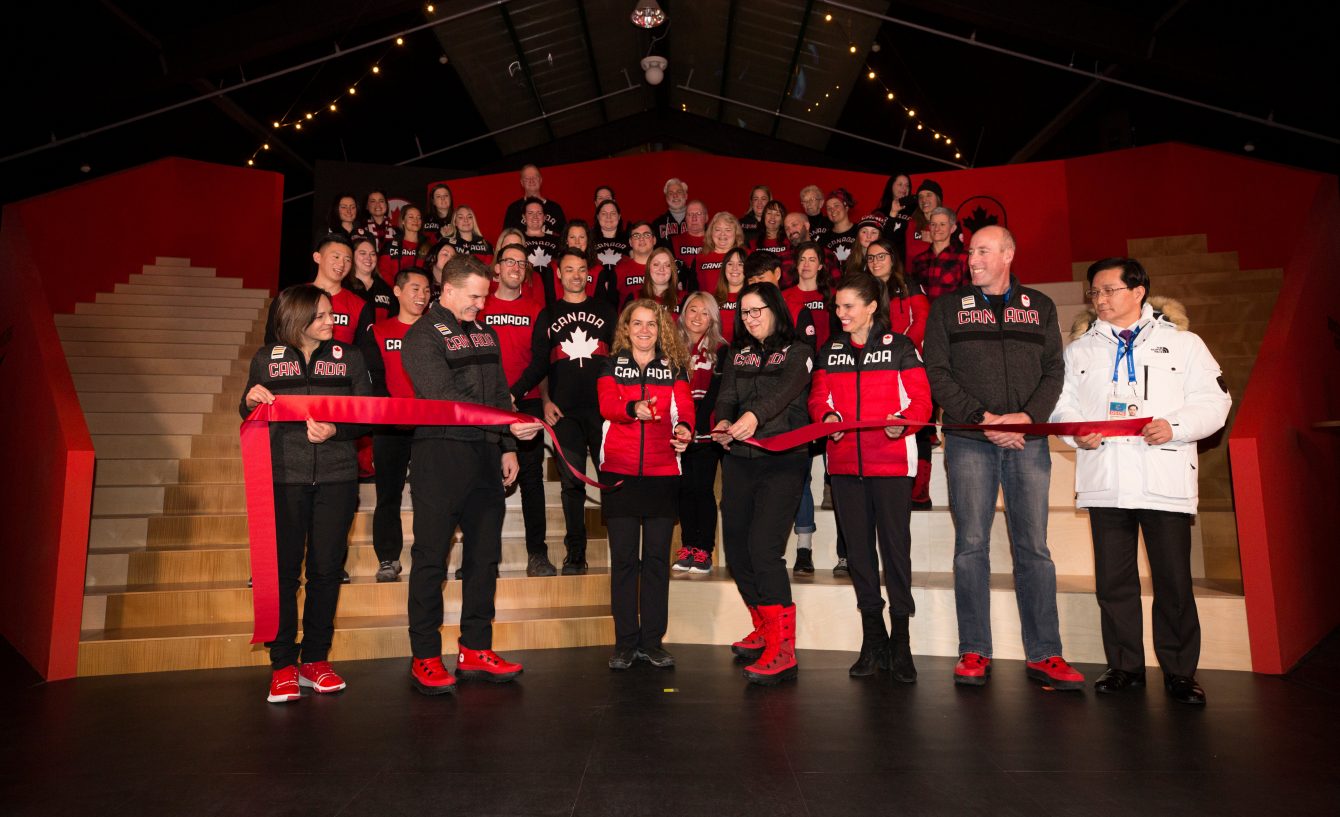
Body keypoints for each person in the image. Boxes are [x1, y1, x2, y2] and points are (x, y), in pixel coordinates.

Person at [1051, 258, 1230, 705]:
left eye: (1109, 289)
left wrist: (1176, 426)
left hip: (1162, 477)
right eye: (1095, 292)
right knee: (1114, 583)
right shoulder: (1078, 351)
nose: (1101, 299)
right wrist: (1077, 433)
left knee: (1173, 583)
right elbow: (1060, 408)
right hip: (1105, 478)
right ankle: (1124, 666)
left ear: (1138, 291)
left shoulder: (1184, 344)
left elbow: (1215, 401)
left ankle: (1180, 673)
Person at [923, 225, 1085, 690]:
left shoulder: (1041, 306)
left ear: (1009, 254)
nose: (972, 258)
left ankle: (1045, 653)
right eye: (971, 251)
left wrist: (1027, 418)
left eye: (983, 251)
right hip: (970, 439)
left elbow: (1055, 369)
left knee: (1034, 549)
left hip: (1026, 441)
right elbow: (937, 372)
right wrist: (983, 418)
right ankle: (974, 649)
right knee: (970, 546)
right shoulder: (947, 308)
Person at [400, 255, 544, 694]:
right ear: (448, 289)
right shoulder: (421, 336)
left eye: (484, 297)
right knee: (431, 558)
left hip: (485, 457)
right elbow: (444, 399)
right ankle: (425, 655)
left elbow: (500, 393)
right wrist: (503, 424)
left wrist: (508, 444)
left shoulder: (486, 333)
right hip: (440, 457)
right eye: (475, 296)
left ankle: (475, 647)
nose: (481, 305)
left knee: (484, 557)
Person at [241, 284, 372, 703]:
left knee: (326, 571)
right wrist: (249, 400)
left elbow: (366, 414)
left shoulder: (350, 357)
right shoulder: (266, 358)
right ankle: (282, 664)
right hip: (282, 479)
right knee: (282, 573)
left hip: (336, 478)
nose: (331, 321)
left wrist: (337, 430)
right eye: (320, 316)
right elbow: (248, 409)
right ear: (297, 319)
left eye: (331, 313)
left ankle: (316, 659)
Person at [810, 273, 932, 682]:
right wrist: (827, 417)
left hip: (892, 465)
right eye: (838, 306)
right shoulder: (831, 350)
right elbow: (818, 398)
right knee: (859, 556)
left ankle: (902, 641)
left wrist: (905, 423)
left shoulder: (900, 347)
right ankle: (873, 638)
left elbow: (921, 401)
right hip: (845, 467)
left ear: (871, 307)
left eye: (848, 306)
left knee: (896, 552)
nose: (840, 314)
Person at [712, 282, 814, 685]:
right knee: (736, 549)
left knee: (763, 550)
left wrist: (753, 416)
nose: (751, 318)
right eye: (745, 312)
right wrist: (721, 422)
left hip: (783, 462)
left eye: (757, 310)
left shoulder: (800, 352)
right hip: (739, 460)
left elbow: (785, 392)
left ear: (775, 309)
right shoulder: (737, 353)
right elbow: (725, 397)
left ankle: (783, 649)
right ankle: (765, 628)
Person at [598, 300, 694, 669]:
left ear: (661, 329)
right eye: (636, 323)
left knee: (656, 561)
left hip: (662, 474)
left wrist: (684, 428)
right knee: (624, 561)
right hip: (619, 473)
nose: (643, 330)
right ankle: (624, 643)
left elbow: (683, 408)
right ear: (626, 328)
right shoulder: (610, 363)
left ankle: (652, 641)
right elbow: (607, 403)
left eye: (651, 324)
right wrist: (631, 409)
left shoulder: (674, 368)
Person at [511, 249, 618, 575]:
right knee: (572, 484)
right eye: (568, 269)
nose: (575, 275)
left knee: (610, 481)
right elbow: (540, 363)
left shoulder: (606, 310)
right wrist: (530, 396)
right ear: (558, 274)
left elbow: (620, 358)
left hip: (603, 412)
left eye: (581, 269)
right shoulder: (549, 314)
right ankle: (575, 554)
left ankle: (621, 553)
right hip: (564, 413)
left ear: (589, 274)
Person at [480, 243, 555, 577]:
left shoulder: (537, 308)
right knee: (484, 480)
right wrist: (498, 395)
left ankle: (537, 554)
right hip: (486, 403)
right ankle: (485, 557)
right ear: (497, 268)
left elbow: (541, 361)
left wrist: (514, 392)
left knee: (531, 478)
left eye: (521, 263)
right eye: (508, 261)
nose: (515, 267)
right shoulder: (480, 304)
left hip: (523, 402)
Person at [359, 269, 431, 583]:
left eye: (428, 290)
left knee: (430, 493)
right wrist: (394, 410)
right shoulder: (378, 331)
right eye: (415, 288)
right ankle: (388, 558)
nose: (422, 295)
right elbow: (372, 379)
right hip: (389, 425)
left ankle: (429, 554)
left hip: (429, 425)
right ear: (398, 292)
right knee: (388, 494)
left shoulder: (437, 331)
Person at [675, 292, 727, 573]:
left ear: (712, 318)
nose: (697, 317)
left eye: (704, 312)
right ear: (683, 314)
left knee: (702, 489)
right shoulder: (671, 347)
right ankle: (688, 545)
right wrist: (683, 423)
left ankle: (704, 549)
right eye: (692, 310)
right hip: (680, 429)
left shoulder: (721, 349)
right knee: (683, 490)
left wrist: (696, 423)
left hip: (707, 429)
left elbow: (717, 393)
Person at [265, 235, 363, 346]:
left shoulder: (359, 306)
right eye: (336, 257)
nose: (341, 264)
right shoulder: (289, 298)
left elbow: (362, 353)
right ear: (317, 257)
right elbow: (272, 341)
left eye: (347, 260)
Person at [908, 206, 969, 302]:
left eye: (942, 224)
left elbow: (968, 295)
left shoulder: (964, 258)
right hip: (925, 315)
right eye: (933, 224)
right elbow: (914, 295)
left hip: (952, 315)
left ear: (952, 228)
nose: (937, 229)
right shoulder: (919, 260)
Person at [346, 235, 395, 340]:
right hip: (350, 347)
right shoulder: (344, 286)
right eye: (362, 253)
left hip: (378, 347)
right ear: (352, 256)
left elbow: (393, 320)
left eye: (372, 254)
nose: (368, 258)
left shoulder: (385, 288)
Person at [501, 163, 565, 235]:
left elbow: (565, 238)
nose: (531, 181)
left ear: (540, 180)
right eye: (527, 178)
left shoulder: (555, 208)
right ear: (522, 182)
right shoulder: (513, 209)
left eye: (535, 177)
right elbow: (505, 238)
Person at [693, 211, 746, 295]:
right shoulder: (700, 258)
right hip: (708, 305)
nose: (722, 234)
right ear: (711, 233)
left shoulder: (746, 256)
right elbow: (693, 289)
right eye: (717, 229)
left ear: (736, 233)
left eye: (728, 230)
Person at [377, 205, 425, 286]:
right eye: (411, 217)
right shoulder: (391, 245)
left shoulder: (427, 246)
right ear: (403, 221)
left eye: (418, 217)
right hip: (394, 292)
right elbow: (384, 271)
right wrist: (397, 291)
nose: (415, 220)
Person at [612, 221, 656, 305]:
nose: (641, 238)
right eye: (636, 236)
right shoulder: (618, 270)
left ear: (654, 240)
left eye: (646, 235)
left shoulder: (666, 269)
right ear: (630, 242)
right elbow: (611, 305)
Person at [712, 246, 748, 345]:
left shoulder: (753, 298)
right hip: (716, 355)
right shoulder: (711, 299)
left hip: (743, 355)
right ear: (724, 268)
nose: (735, 268)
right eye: (730, 264)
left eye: (740, 264)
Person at [631, 246, 682, 314]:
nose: (661, 269)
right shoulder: (634, 297)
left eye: (667, 265)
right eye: (656, 264)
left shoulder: (684, 298)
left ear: (672, 270)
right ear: (649, 268)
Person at [876, 173, 914, 260]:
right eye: (900, 184)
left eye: (907, 185)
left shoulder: (915, 210)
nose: (904, 188)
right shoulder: (880, 213)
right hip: (887, 260)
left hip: (908, 261)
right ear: (891, 187)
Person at [906, 179, 945, 262]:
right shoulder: (911, 223)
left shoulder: (949, 222)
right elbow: (910, 253)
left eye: (929, 195)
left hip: (939, 272)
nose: (924, 200)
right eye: (921, 197)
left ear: (938, 199)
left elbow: (955, 254)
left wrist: (934, 241)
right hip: (913, 273)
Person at [823, 188, 859, 268]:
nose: (832, 210)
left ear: (846, 207)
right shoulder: (824, 238)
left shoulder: (860, 231)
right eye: (829, 208)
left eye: (836, 206)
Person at [521, 198, 561, 271]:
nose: (535, 217)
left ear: (544, 217)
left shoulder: (557, 240)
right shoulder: (518, 239)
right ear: (524, 217)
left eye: (539, 213)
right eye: (530, 213)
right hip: (527, 280)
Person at [651, 177, 689, 247]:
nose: (675, 196)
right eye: (671, 193)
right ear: (666, 198)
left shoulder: (698, 221)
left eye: (679, 192)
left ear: (686, 196)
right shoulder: (657, 223)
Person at [593, 199, 629, 270]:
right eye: (604, 213)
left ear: (619, 217)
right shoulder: (589, 239)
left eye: (613, 213)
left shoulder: (629, 238)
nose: (608, 217)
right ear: (597, 217)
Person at [671, 199, 708, 267]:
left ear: (706, 217)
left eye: (698, 214)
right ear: (685, 218)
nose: (694, 218)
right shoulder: (673, 242)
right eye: (690, 214)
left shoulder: (716, 242)